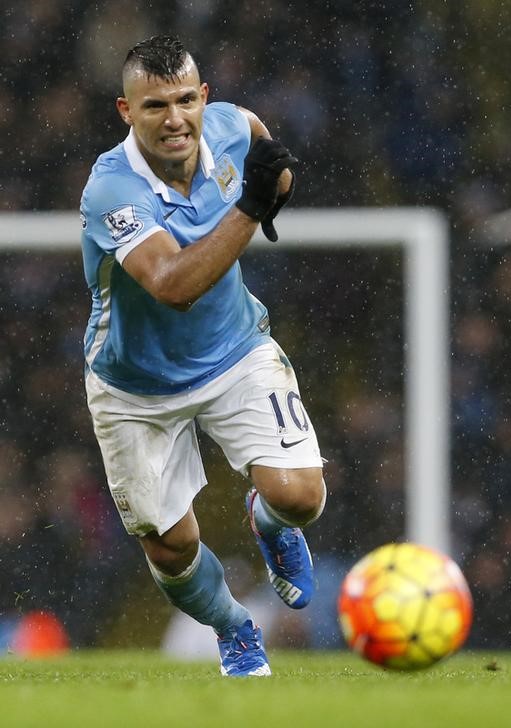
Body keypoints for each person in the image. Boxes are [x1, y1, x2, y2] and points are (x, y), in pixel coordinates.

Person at [80, 35, 326, 677]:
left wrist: (274, 192)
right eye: (155, 105)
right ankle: (234, 627)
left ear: (204, 98)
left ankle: (268, 522)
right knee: (170, 547)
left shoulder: (231, 123)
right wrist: (251, 208)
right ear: (126, 112)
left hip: (234, 352)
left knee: (301, 497)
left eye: (186, 100)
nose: (175, 118)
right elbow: (173, 286)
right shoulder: (111, 188)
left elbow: (268, 156)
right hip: (135, 387)